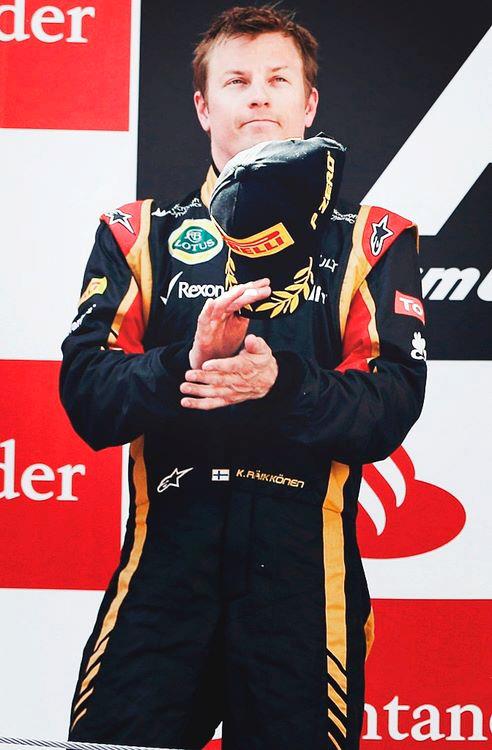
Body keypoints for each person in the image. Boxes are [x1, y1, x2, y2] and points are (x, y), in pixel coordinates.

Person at [60, 6, 427, 750]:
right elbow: (89, 396)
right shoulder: (138, 235)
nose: (258, 94)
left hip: (303, 585)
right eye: (236, 80)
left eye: (277, 79)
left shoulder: (372, 239)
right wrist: (185, 362)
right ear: (203, 107)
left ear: (309, 103)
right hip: (165, 576)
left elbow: (389, 406)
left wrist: (278, 383)